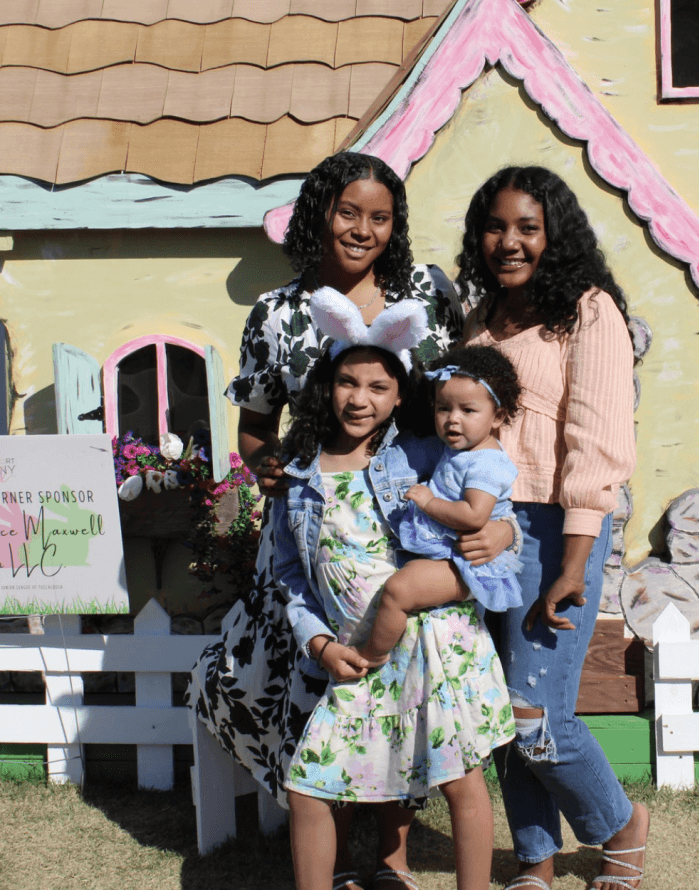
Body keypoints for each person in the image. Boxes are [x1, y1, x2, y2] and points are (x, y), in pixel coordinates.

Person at [187, 150, 513, 890]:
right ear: (318, 215)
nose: (362, 229)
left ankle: (392, 861)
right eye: (347, 212)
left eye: (380, 216)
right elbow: (253, 427)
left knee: (412, 692)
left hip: (416, 523)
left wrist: (491, 513)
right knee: (327, 690)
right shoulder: (275, 313)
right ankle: (329, 855)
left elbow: (468, 407)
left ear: (395, 226)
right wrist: (267, 467)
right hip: (317, 518)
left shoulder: (428, 298)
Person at [277, 291, 514, 890]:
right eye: (347, 384)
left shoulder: (418, 453)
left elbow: (492, 485)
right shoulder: (301, 473)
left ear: (401, 396)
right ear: (327, 387)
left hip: (430, 643)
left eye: (378, 387)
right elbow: (290, 575)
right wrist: (319, 643)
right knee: (309, 786)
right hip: (355, 655)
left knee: (460, 776)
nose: (360, 399)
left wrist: (505, 530)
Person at [458, 166, 650, 890]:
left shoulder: (589, 310)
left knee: (535, 710)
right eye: (496, 225)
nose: (509, 241)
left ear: (554, 234)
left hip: (554, 527)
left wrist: (574, 560)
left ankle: (620, 824)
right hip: (489, 528)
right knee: (500, 704)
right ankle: (534, 859)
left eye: (527, 228)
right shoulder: (480, 319)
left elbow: (597, 440)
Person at [357, 344, 524, 668]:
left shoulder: (486, 464)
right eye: (444, 408)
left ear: (499, 416)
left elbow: (474, 516)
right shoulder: (463, 450)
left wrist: (429, 502)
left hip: (468, 560)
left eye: (468, 411)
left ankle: (371, 656)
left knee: (397, 591)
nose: (452, 420)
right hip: (450, 551)